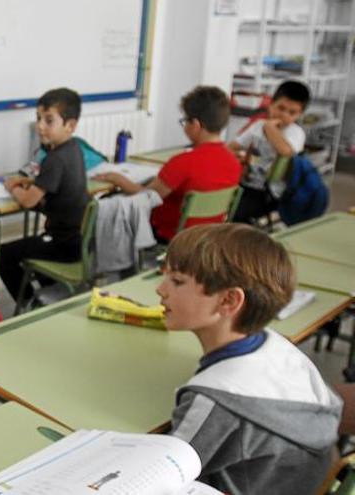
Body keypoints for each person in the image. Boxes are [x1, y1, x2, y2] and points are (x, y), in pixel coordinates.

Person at [159, 223, 340, 495]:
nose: (160, 289)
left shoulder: (214, 400)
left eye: (177, 281)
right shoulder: (281, 349)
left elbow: (161, 475)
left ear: (229, 301)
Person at [95, 86, 241, 243]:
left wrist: (119, 180)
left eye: (185, 121)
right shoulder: (234, 162)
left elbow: (147, 196)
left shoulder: (183, 162)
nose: (184, 126)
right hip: (209, 237)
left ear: (196, 125)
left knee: (113, 203)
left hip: (171, 235)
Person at [0, 88, 89, 301]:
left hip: (63, 244)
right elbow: (56, 182)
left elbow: (29, 201)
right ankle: (50, 295)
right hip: (79, 241)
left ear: (70, 125)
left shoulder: (54, 159)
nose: (40, 126)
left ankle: (31, 304)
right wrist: (31, 182)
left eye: (49, 121)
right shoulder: (73, 149)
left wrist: (13, 186)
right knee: (29, 249)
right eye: (38, 118)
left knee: (1, 254)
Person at [229, 80, 310, 224]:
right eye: (281, 108)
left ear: (299, 115)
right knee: (226, 201)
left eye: (292, 112)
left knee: (238, 213)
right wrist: (235, 155)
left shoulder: (295, 133)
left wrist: (269, 127)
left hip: (274, 193)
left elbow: (285, 151)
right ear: (271, 104)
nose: (284, 115)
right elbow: (233, 146)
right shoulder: (258, 126)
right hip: (248, 184)